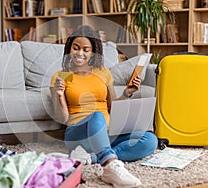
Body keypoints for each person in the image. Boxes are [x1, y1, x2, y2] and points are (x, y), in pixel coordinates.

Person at [50, 25, 157, 187]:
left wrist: (128, 92)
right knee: (97, 115)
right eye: (76, 48)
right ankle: (110, 166)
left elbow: (112, 107)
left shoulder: (103, 73)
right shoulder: (60, 76)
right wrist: (58, 95)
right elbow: (63, 118)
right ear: (69, 48)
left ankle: (90, 157)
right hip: (77, 135)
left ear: (93, 52)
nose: (80, 53)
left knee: (150, 139)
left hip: (106, 133)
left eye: (86, 49)